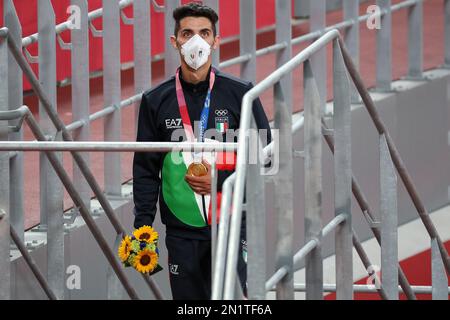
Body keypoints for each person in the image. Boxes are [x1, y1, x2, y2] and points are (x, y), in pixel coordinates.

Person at [132, 2, 271, 300]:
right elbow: (145, 171)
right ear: (175, 41)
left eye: (204, 33)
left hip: (233, 225)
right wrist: (143, 228)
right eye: (187, 34)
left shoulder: (242, 93)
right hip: (181, 233)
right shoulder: (155, 100)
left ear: (216, 41)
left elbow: (266, 158)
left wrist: (219, 181)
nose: (196, 41)